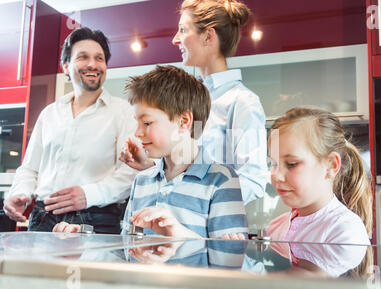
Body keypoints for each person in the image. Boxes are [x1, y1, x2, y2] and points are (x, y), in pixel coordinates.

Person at [53, 65, 249, 240]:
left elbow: (228, 263)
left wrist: (181, 236)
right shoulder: (142, 181)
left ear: (184, 122)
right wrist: (84, 242)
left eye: (147, 123)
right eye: (137, 123)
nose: (138, 133)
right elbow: (127, 250)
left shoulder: (222, 181)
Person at [120, 0, 268, 206]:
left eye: (183, 30)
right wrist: (151, 166)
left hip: (211, 230)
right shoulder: (181, 97)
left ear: (208, 36)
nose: (175, 39)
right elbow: (183, 171)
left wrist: (196, 200)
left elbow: (253, 180)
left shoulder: (242, 101)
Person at [3, 27, 138, 234]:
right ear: (66, 66)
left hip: (96, 220)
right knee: (38, 269)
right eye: (83, 57)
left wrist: (89, 194)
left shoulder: (124, 112)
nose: (93, 64)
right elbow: (30, 169)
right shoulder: (49, 114)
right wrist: (19, 193)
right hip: (43, 218)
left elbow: (131, 173)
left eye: (99, 58)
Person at [265, 107, 372, 245]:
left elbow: (308, 267)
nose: (276, 175)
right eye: (273, 163)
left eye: (292, 164)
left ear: (331, 165)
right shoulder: (275, 227)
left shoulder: (346, 232)